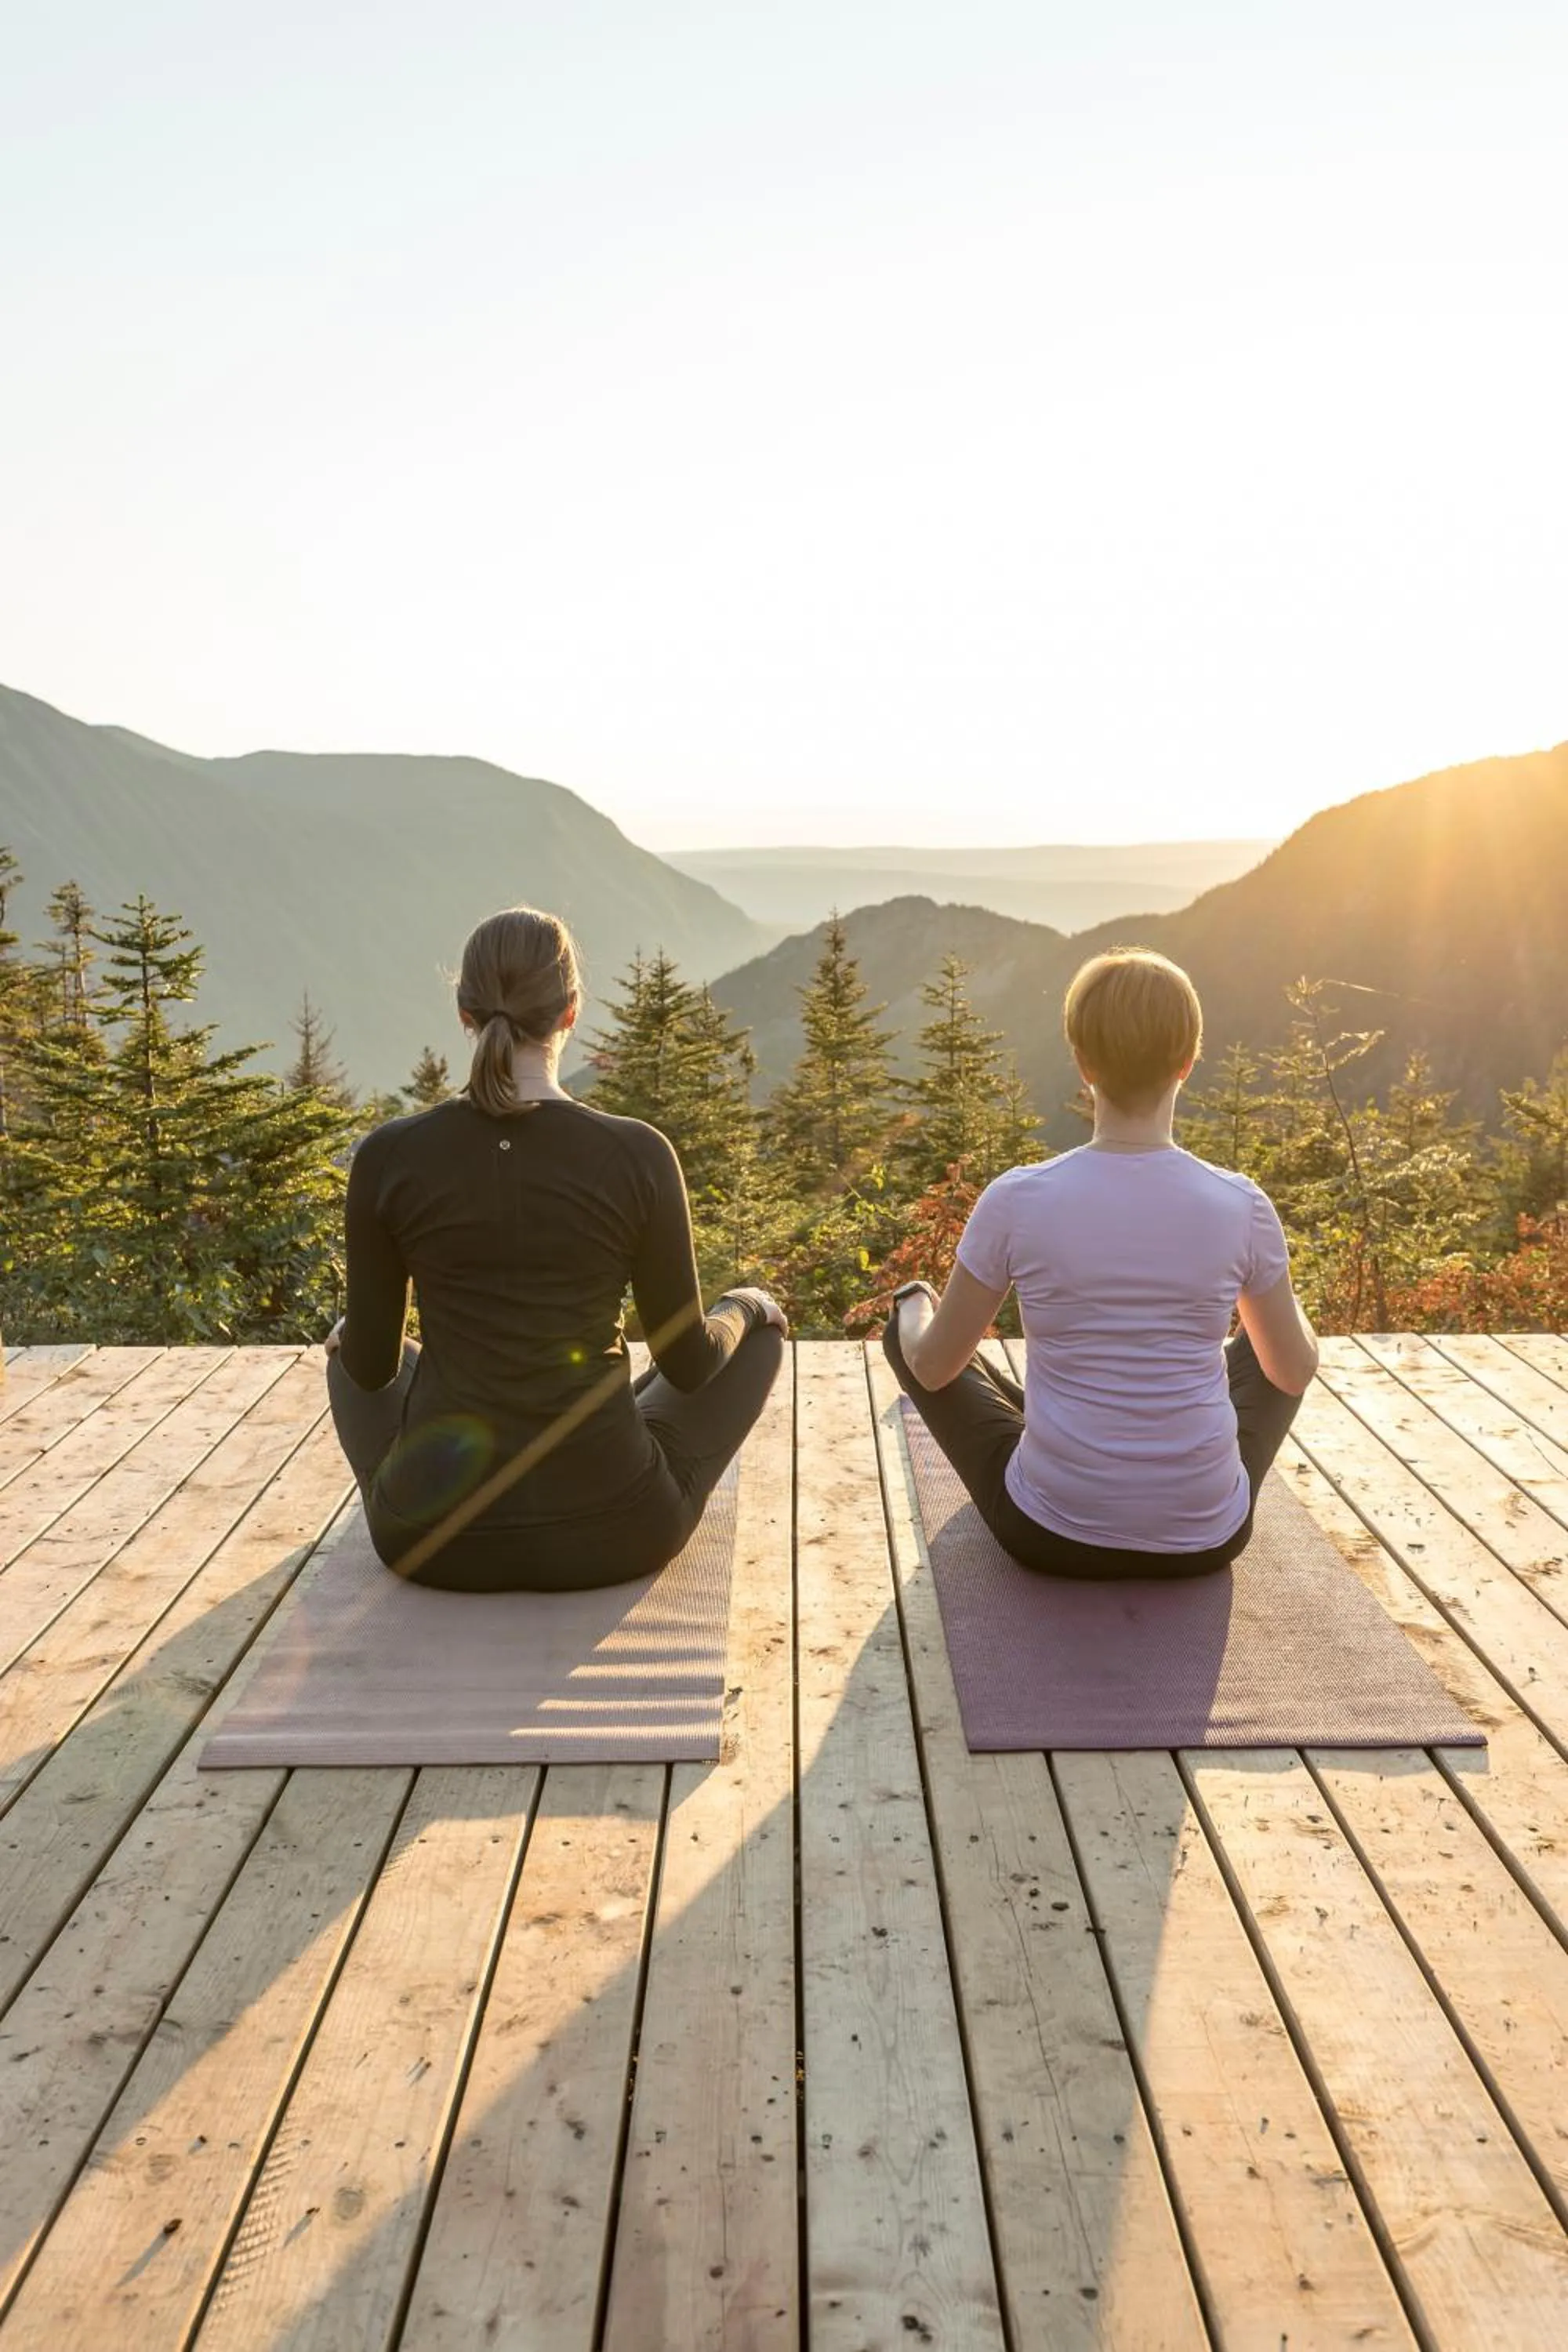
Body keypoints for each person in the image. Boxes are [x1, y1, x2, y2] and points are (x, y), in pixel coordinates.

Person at [324, 906, 786, 1592]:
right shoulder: (636, 1154)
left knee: (347, 1348)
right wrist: (746, 1306)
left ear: (464, 1013)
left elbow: (369, 1370)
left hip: (430, 1543)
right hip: (615, 1529)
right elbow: (688, 1363)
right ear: (571, 1012)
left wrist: (348, 1335)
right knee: (758, 1338)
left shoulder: (390, 1157)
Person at [882, 947, 1319, 1580]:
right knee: (1279, 1341)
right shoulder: (1240, 1205)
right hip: (1205, 1540)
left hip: (1049, 1534)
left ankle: (930, 1320)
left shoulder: (1017, 1198)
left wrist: (914, 1304)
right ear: (1188, 1063)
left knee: (913, 1341)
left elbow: (934, 1365)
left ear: (1083, 1064)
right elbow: (1293, 1371)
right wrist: (1270, 1281)